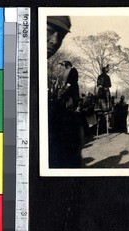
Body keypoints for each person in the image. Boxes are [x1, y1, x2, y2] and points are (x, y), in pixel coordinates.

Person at [47, 16, 84, 168]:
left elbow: (71, 83)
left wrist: (65, 89)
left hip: (71, 95)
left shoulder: (72, 71)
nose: (55, 41)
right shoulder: (62, 72)